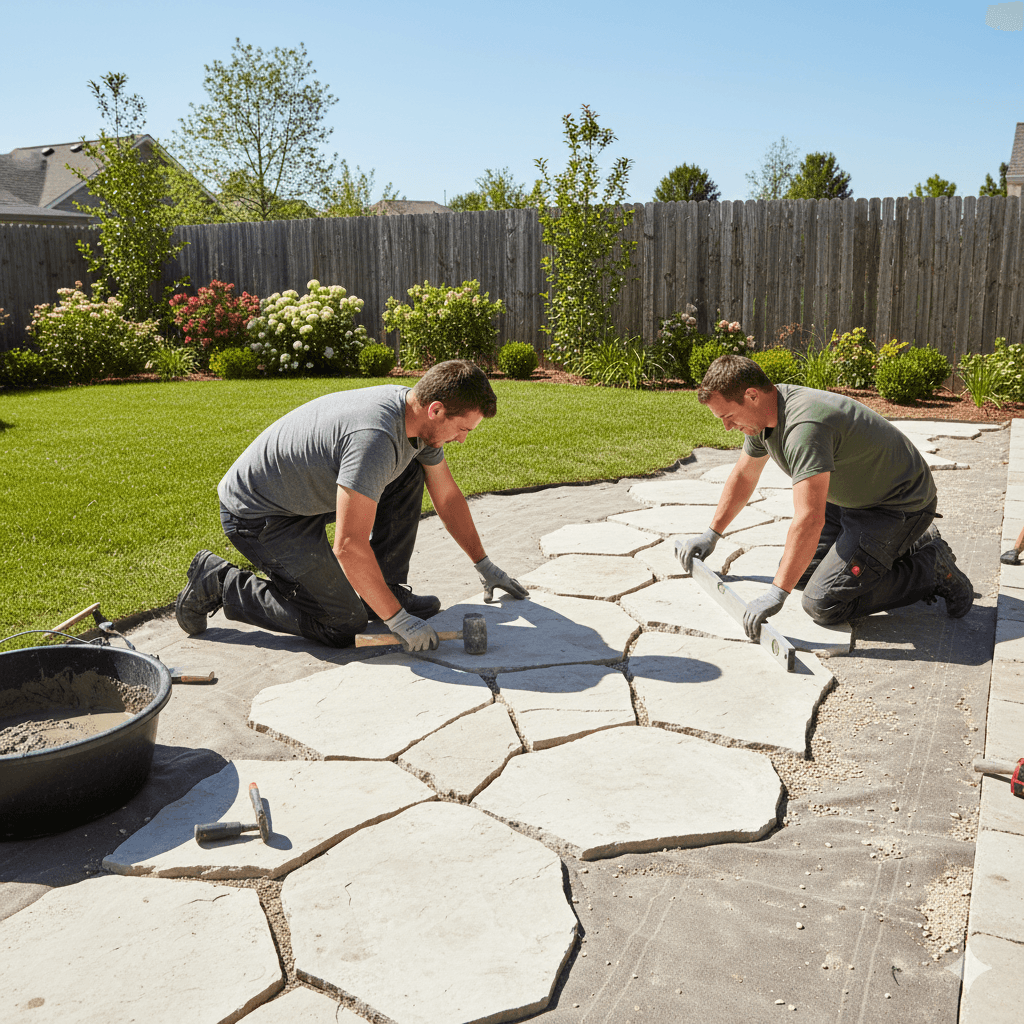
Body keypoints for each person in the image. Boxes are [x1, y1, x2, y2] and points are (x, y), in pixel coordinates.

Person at [174, 359, 528, 652]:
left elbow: (447, 496)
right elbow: (348, 545)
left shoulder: (417, 419)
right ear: (436, 409)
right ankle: (219, 582)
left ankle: (385, 589)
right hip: (260, 516)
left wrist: (483, 563)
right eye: (463, 428)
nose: (463, 439)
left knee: (408, 472)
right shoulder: (375, 440)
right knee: (342, 624)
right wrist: (397, 620)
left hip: (304, 495)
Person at [676, 355, 974, 640]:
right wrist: (711, 534)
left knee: (823, 603)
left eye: (728, 416)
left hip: (896, 505)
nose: (727, 427)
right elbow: (744, 475)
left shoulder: (804, 428)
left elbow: (809, 518)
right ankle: (904, 545)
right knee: (800, 574)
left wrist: (776, 593)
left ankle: (932, 567)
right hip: (853, 497)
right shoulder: (763, 417)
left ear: (752, 395)